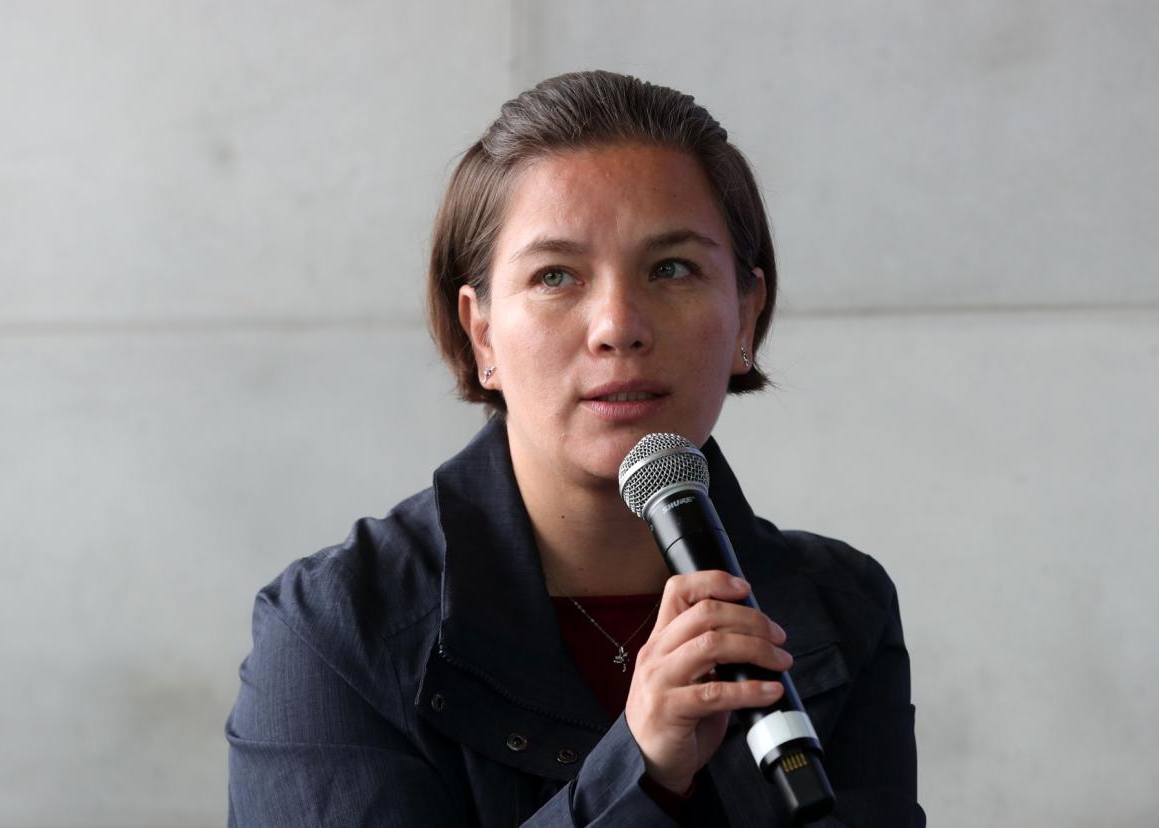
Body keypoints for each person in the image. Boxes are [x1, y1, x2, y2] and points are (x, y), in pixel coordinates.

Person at [226, 70, 923, 826]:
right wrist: (641, 770)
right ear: (482, 331)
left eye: (672, 269)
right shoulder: (337, 629)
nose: (617, 325)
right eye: (556, 275)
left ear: (745, 316)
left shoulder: (840, 607)